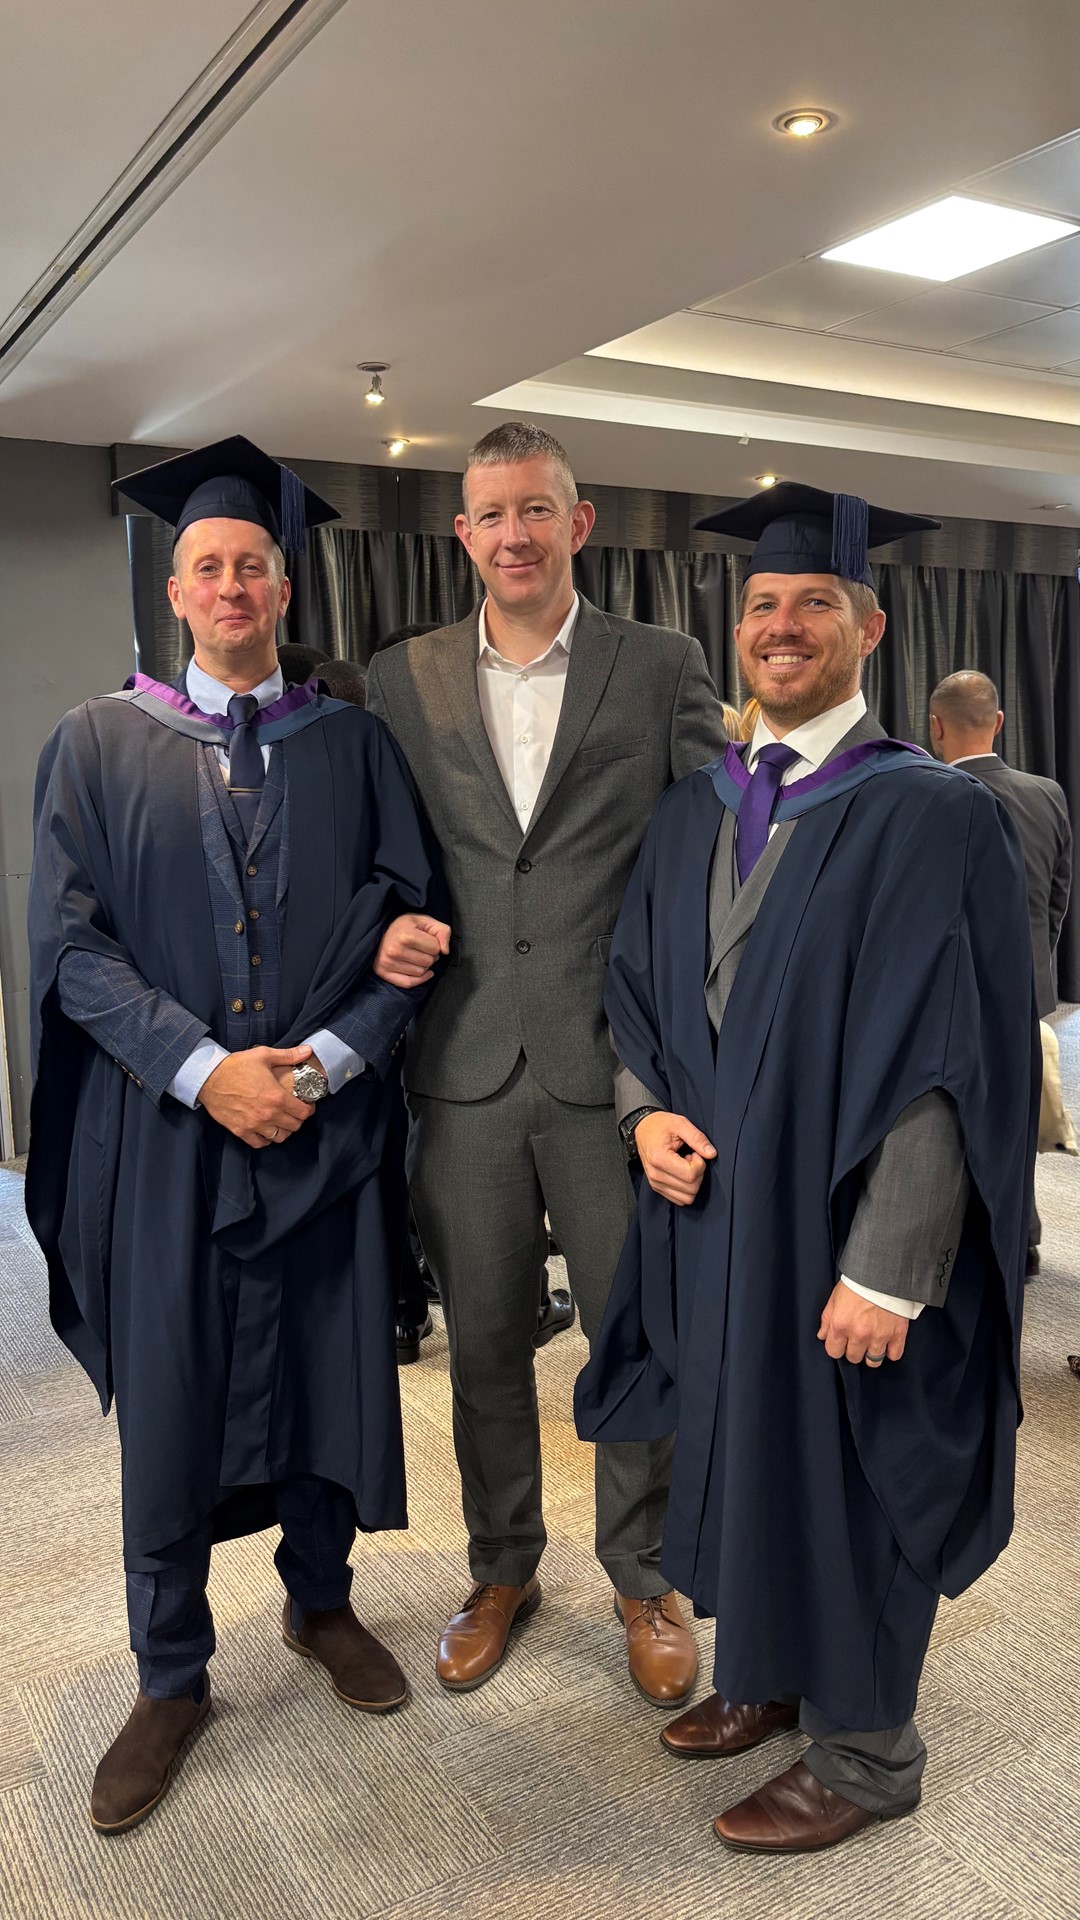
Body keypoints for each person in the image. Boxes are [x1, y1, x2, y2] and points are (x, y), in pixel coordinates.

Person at [577, 481, 1039, 1854]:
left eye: (813, 604)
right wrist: (640, 1111)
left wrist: (892, 1275)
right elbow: (638, 995)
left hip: (839, 1229)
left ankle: (866, 1752)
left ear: (870, 624)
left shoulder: (928, 815)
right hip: (720, 1214)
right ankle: (769, 1673)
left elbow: (950, 1056)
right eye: (764, 605)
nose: (782, 626)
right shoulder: (692, 810)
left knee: (851, 1469)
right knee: (742, 1443)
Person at [26, 436, 445, 1835]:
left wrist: (321, 1067)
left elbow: (410, 926)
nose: (229, 586)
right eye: (205, 565)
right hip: (173, 1136)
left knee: (328, 1361)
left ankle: (321, 1608)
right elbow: (69, 953)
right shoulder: (95, 745)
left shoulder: (355, 740)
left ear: (283, 581)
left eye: (251, 565)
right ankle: (170, 1673)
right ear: (174, 584)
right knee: (176, 1382)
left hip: (319, 1129)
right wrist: (207, 1073)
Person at [365, 421, 727, 1703]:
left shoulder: (661, 665)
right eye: (489, 514)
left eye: (536, 509)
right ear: (461, 535)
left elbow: (706, 858)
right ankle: (502, 1563)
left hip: (612, 1070)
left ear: (578, 524)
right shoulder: (399, 678)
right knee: (484, 1342)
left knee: (636, 1330)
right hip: (458, 1068)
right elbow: (383, 854)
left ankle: (646, 1573)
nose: (512, 534)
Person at [930, 669, 1072, 1275]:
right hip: (1028, 991)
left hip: (951, 991)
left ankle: (956, 1240)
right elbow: (1059, 895)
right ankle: (1023, 1235)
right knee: (1017, 1110)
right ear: (999, 722)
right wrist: (1034, 963)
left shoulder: (926, 794)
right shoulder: (1049, 794)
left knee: (947, 1118)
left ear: (935, 727)